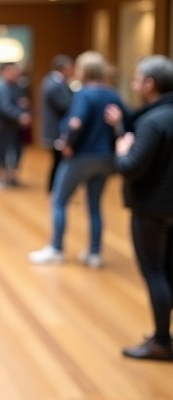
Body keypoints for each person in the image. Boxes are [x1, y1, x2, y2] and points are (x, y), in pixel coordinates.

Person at [29, 50, 126, 269]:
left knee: (59, 200)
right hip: (106, 159)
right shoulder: (112, 94)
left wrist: (68, 144)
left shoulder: (83, 94)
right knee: (94, 205)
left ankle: (56, 248)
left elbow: (75, 123)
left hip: (82, 157)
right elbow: (125, 122)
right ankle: (94, 253)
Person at [109, 55, 173, 361]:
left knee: (155, 271)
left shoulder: (152, 121)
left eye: (136, 79)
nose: (133, 84)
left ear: (150, 84)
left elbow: (130, 167)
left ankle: (162, 340)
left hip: (151, 208)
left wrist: (121, 148)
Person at [0, 61, 31, 189]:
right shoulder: (0, 86)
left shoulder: (15, 85)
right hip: (0, 125)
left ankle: (8, 176)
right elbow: (4, 107)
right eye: (12, 70)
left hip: (11, 126)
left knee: (13, 151)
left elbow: (20, 102)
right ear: (4, 72)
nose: (15, 73)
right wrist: (19, 115)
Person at [39, 54, 75, 193]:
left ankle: (56, 189)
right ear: (64, 68)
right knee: (58, 161)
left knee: (58, 161)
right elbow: (65, 105)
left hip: (56, 130)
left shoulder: (55, 82)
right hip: (56, 131)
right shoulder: (54, 84)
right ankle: (55, 190)